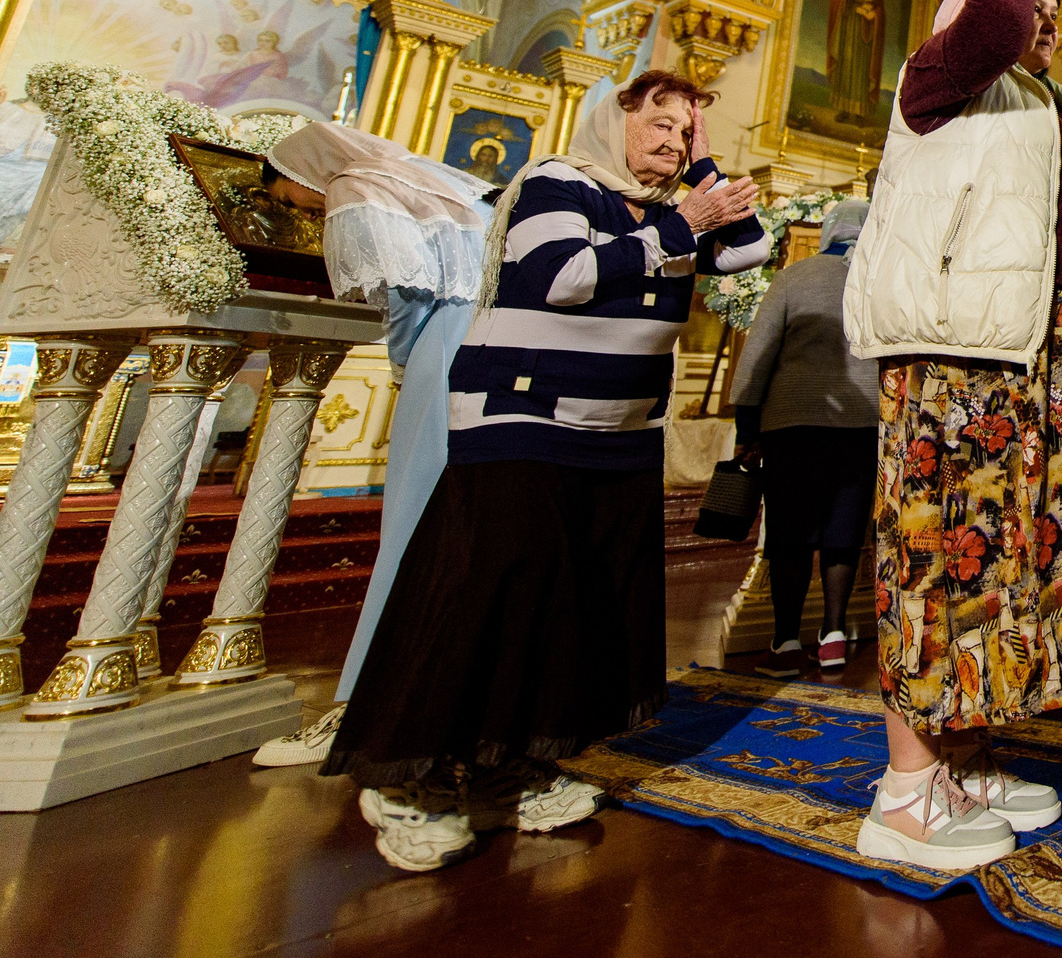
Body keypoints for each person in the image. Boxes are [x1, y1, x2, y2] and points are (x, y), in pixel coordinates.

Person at [322, 70, 768, 871]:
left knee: (569, 606)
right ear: (614, 121)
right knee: (490, 595)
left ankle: (507, 764)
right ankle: (413, 779)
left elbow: (750, 250)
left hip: (616, 434)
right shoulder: (556, 182)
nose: (672, 141)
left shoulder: (671, 208)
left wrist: (701, 177)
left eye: (687, 131)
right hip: (521, 422)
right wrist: (685, 222)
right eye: (659, 124)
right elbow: (561, 277)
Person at [841, 0, 1062, 870]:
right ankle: (904, 792)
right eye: (1033, 2)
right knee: (938, 553)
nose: (1045, 16)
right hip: (962, 351)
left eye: (1055, 7)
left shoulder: (1041, 109)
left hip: (1041, 354)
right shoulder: (943, 74)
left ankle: (961, 754)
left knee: (1006, 566)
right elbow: (999, 20)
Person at [250, 123, 492, 769]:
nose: (295, 208)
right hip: (497, 349)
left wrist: (404, 362)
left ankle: (359, 708)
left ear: (303, 172)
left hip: (444, 345)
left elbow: (408, 296)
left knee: (409, 521)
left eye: (287, 196)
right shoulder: (439, 180)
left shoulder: (358, 188)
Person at [732, 197, 879, 678]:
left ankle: (785, 643)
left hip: (791, 424)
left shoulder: (793, 277)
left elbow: (756, 358)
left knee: (790, 534)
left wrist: (746, 429)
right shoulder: (877, 280)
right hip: (860, 424)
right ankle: (834, 635)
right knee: (844, 532)